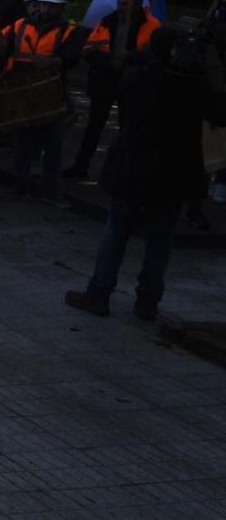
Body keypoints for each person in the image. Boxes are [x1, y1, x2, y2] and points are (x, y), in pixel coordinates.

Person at [66, 27, 226, 321]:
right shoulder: (194, 86)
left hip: (134, 168)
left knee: (117, 234)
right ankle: (147, 300)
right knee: (159, 241)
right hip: (172, 172)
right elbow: (219, 111)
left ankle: (100, 292)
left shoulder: (139, 77)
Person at [64, 0, 160, 179]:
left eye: (125, 4)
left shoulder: (152, 26)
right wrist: (109, 61)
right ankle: (81, 166)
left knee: (128, 129)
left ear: (137, 6)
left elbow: (156, 55)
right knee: (94, 127)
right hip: (105, 80)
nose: (120, 7)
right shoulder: (107, 22)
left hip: (133, 82)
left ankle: (124, 172)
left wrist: (130, 57)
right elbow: (89, 50)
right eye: (119, 3)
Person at [0, 0, 76, 196]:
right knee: (23, 141)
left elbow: (72, 58)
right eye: (45, 5)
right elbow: (1, 50)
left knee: (52, 143)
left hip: (51, 93)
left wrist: (55, 61)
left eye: (53, 7)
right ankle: (21, 183)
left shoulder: (68, 31)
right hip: (23, 90)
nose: (47, 10)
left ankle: (49, 187)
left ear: (62, 8)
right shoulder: (20, 25)